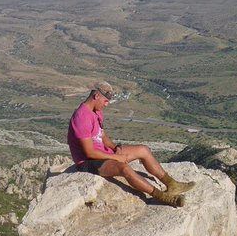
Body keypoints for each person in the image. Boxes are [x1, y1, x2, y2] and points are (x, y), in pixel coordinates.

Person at [67, 81, 195, 207]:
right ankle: (163, 197)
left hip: (102, 153)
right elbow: (90, 152)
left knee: (143, 150)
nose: (107, 104)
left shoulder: (96, 112)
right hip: (88, 162)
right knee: (124, 168)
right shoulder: (81, 117)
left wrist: (115, 148)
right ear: (96, 96)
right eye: (105, 101)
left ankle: (172, 184)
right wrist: (116, 158)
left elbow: (102, 136)